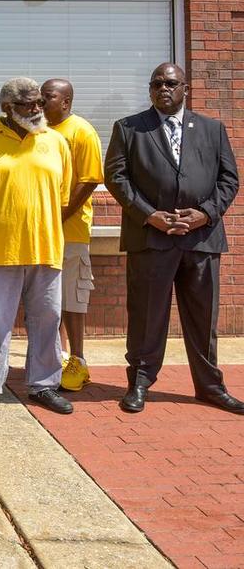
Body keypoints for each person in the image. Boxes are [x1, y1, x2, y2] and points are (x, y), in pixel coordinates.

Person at [105, 62, 243, 414]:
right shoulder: (129, 128)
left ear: (186, 88)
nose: (163, 89)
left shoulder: (212, 129)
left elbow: (229, 179)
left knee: (202, 317)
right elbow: (116, 178)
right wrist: (149, 214)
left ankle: (210, 386)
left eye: (170, 83)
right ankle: (139, 382)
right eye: (156, 84)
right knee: (147, 315)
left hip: (202, 240)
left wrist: (206, 213)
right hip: (151, 238)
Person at [0, 77, 74, 415]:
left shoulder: (55, 142)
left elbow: (63, 196)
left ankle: (43, 385)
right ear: (7, 108)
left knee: (47, 319)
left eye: (40, 102)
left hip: (46, 247)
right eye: (28, 105)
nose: (38, 109)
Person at [41, 79, 103, 392]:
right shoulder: (41, 132)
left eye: (48, 97)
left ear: (65, 101)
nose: (41, 102)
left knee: (73, 299)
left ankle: (78, 361)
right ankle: (59, 358)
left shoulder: (82, 131)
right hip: (43, 232)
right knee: (51, 299)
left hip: (72, 230)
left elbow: (90, 180)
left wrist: (60, 215)